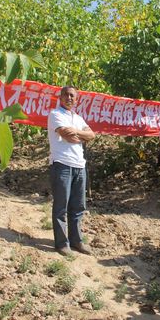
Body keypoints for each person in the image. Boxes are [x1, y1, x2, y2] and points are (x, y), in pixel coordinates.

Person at [48, 86, 95, 256]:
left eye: (72, 96)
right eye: (66, 95)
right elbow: (66, 135)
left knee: (78, 206)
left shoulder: (78, 118)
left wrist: (76, 131)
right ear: (60, 97)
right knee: (61, 206)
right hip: (61, 164)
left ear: (76, 100)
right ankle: (61, 243)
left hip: (79, 166)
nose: (69, 98)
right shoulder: (55, 115)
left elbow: (92, 135)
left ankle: (76, 241)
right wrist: (80, 135)